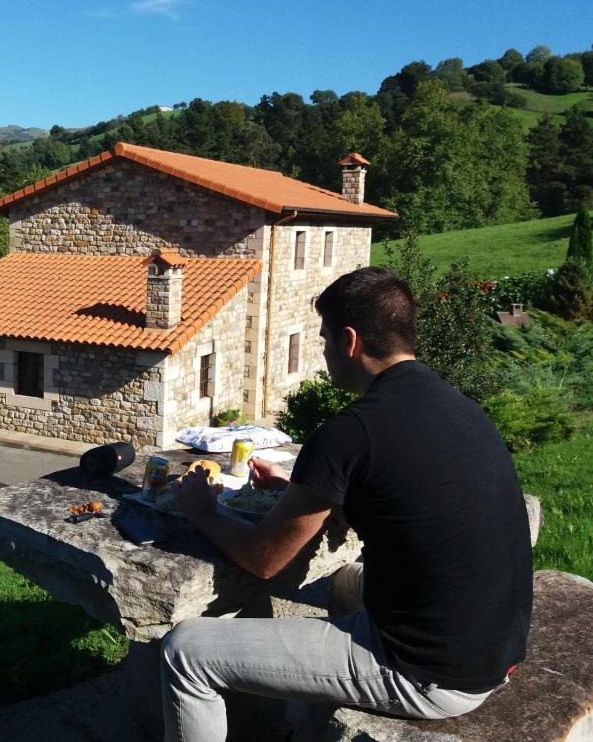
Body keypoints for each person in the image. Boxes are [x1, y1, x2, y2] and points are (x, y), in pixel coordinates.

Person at [163, 267, 532, 742]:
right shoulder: (456, 405)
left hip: (430, 673)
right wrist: (303, 490)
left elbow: (264, 560)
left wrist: (203, 510)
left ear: (350, 341)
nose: (322, 352)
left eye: (323, 339)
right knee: (344, 585)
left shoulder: (349, 431)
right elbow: (401, 494)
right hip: (494, 647)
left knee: (185, 650)